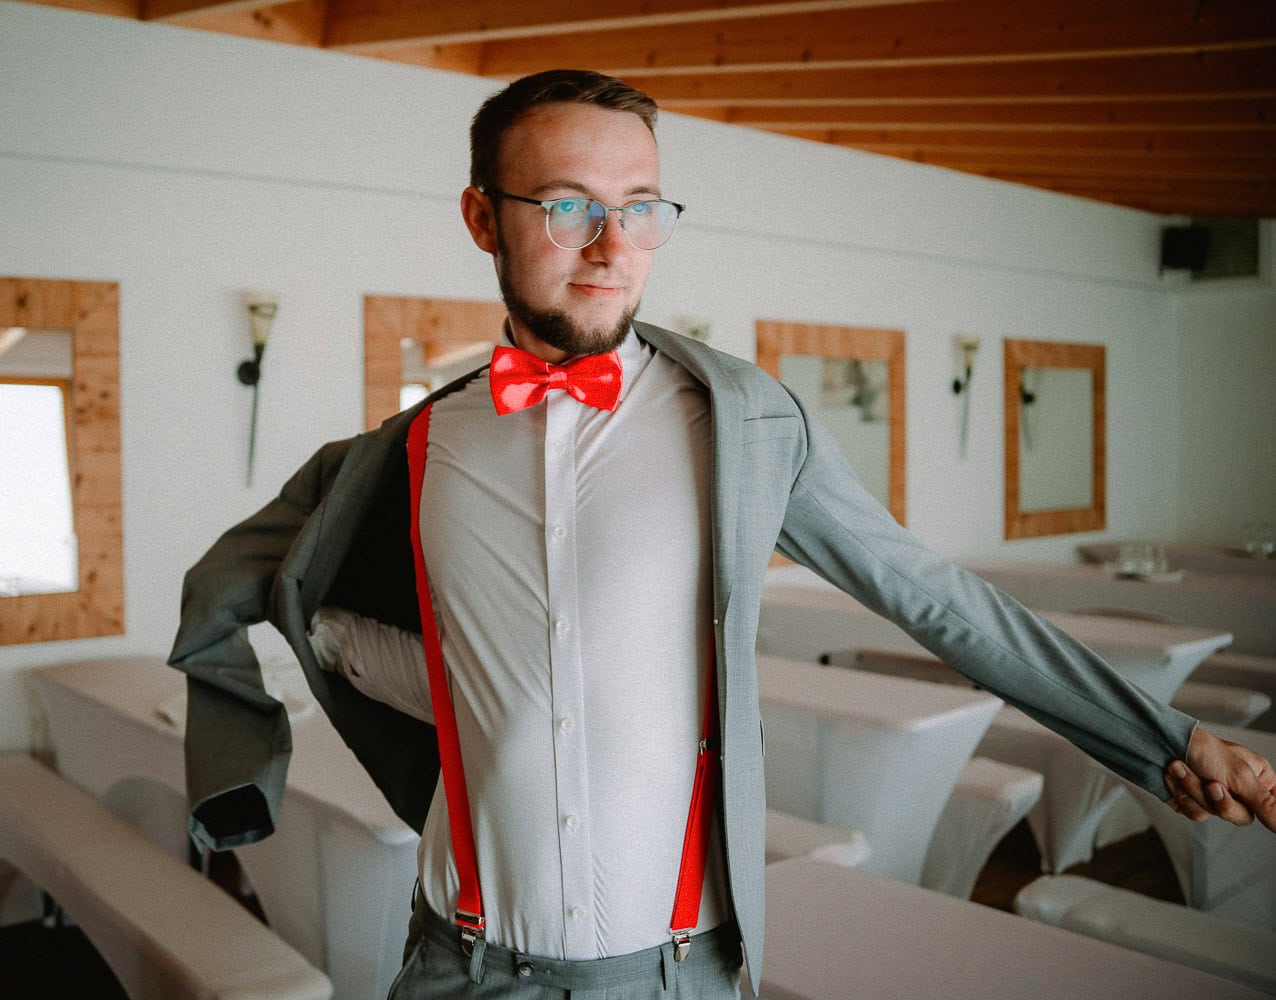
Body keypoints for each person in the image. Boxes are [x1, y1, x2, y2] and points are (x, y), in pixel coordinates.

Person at [169, 69, 1276, 998]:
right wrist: (318, 662)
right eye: (566, 205)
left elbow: (937, 600)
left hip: (675, 977)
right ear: (481, 218)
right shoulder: (412, 451)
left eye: (641, 206)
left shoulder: (743, 424)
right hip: (454, 968)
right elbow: (272, 589)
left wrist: (1164, 739)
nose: (612, 245)